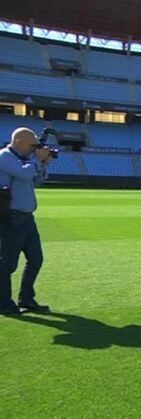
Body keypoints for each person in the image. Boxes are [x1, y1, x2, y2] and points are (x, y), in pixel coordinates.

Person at [0, 127, 55, 315]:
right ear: (18, 142)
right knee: (7, 264)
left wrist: (43, 164)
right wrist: (36, 160)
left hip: (27, 218)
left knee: (35, 259)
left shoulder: (26, 159)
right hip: (11, 218)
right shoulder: (4, 156)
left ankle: (26, 299)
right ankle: (4, 303)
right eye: (32, 145)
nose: (34, 148)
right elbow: (23, 174)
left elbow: (37, 180)